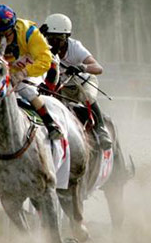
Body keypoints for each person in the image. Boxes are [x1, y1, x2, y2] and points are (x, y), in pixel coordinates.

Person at [0, 4, 62, 149]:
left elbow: (44, 61)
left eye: (4, 34)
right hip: (9, 71)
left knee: (25, 89)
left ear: (12, 27)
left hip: (36, 68)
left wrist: (23, 73)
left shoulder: (30, 32)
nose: (0, 38)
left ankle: (51, 124)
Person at [39, 13, 112, 150]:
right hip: (61, 87)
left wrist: (82, 67)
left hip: (82, 83)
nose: (54, 43)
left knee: (88, 98)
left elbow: (98, 68)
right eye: (51, 38)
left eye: (59, 38)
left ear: (67, 37)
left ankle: (101, 129)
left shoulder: (75, 47)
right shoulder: (43, 48)